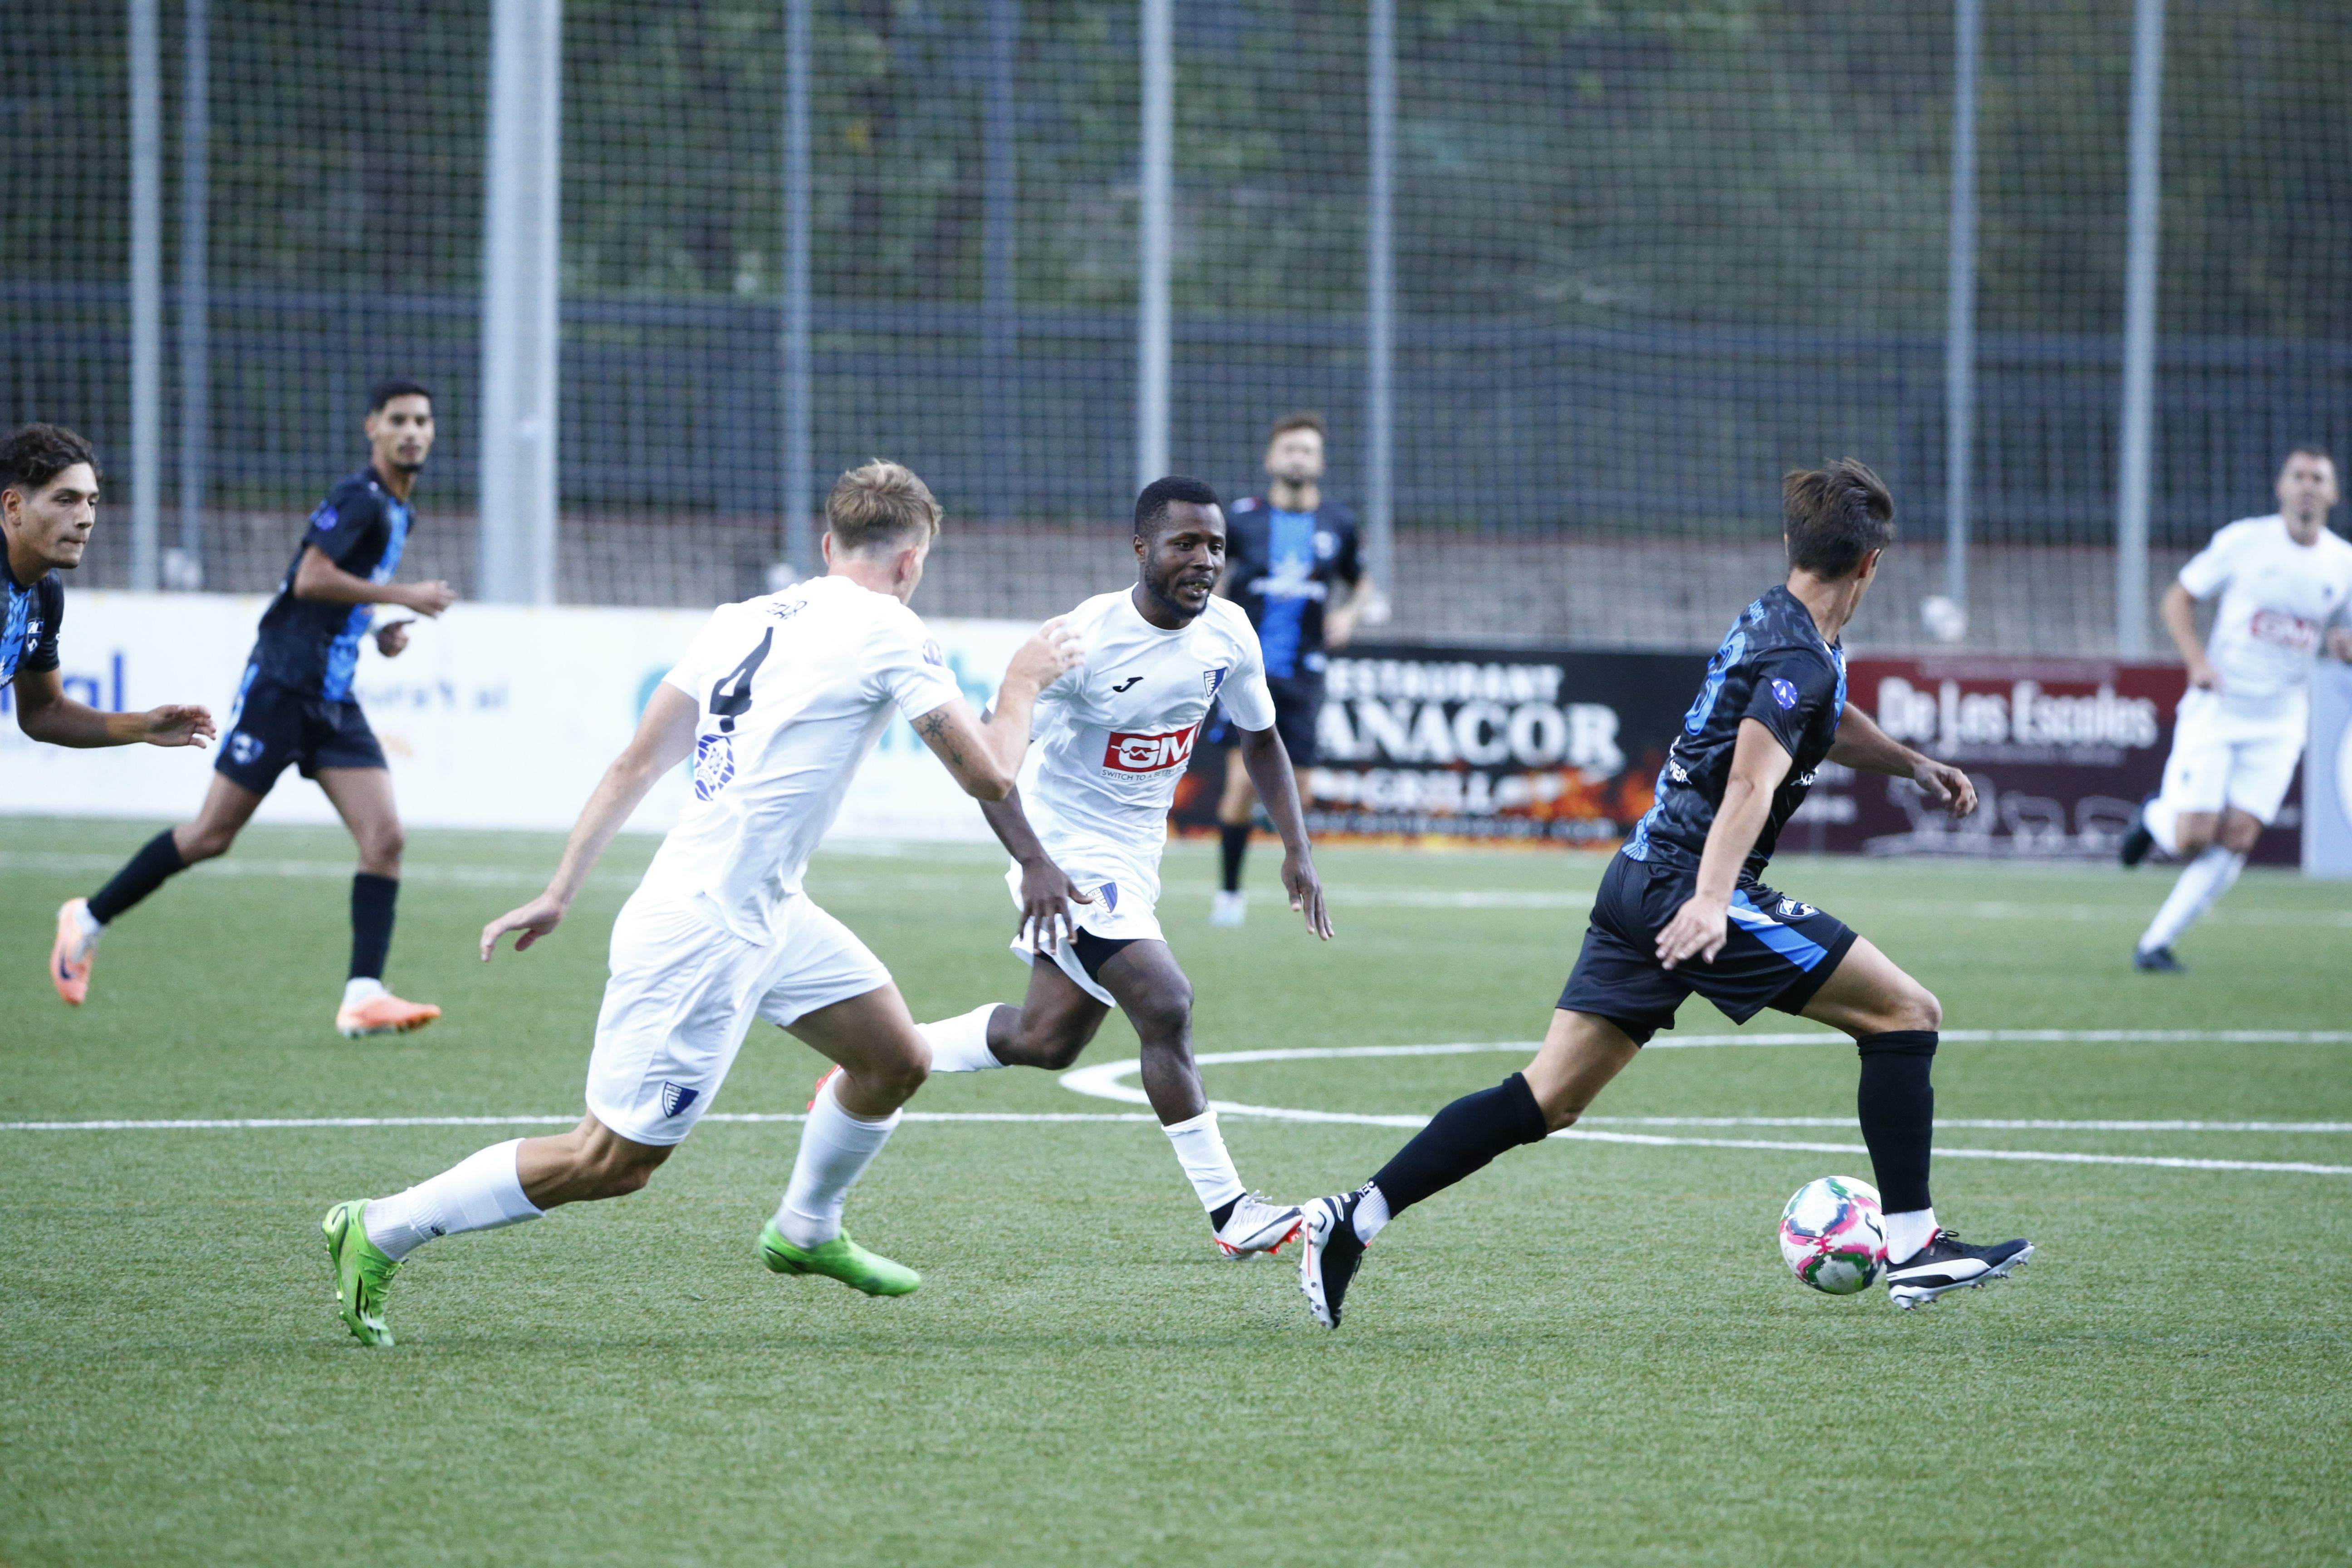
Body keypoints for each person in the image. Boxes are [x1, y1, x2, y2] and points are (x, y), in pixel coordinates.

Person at [319, 460, 1081, 1347]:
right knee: (610, 1162)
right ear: (912, 564)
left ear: (828, 545)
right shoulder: (891, 629)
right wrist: (1024, 680)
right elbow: (990, 772)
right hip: (705, 931)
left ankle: (805, 1230)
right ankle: (379, 1228)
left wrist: (563, 887)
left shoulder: (742, 618)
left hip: (766, 910)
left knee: (895, 1059)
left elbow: (635, 763)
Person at [1295, 460, 2032, 1328]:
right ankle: (1911, 1248)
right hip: (1690, 883)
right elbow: (1750, 783)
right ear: (1872, 564)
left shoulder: (1777, 618)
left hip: (1636, 876)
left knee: (1547, 1098)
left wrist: (1910, 763)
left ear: (1795, 546)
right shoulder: (1800, 651)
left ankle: (1356, 1215)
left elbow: (1817, 720)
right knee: (1906, 1013)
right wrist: (1714, 901)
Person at [914, 476, 1334, 1258]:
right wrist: (1035, 862)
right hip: (1065, 849)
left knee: (1045, 1038)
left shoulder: (1229, 633)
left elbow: (1260, 737)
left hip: (1136, 855)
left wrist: (1296, 848)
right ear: (1141, 549)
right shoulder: (1078, 642)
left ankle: (887, 1053)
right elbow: (985, 759)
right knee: (1164, 999)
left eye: (1213, 546)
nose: (1203, 560)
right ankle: (1231, 1214)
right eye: (1184, 544)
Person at [53, 380, 457, 1034]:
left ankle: (362, 994)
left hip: (333, 697)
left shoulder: (401, 508)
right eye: (400, 420)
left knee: (386, 838)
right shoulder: (361, 497)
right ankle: (87, 919)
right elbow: (310, 579)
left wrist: (377, 626)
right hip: (282, 686)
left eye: (423, 421)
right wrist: (404, 593)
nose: (413, 431)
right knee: (211, 836)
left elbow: (337, 597)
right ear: (373, 429)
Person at [2119, 446, 2352, 970]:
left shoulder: (2343, 563)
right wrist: (2198, 662)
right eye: (2299, 476)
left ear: (2334, 494)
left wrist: (2344, 648)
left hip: (2282, 718)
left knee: (2240, 835)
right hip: (2219, 706)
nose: (2308, 486)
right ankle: (2154, 818)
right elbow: (2178, 598)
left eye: (2319, 478)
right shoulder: (2245, 541)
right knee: (2191, 837)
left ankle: (2155, 944)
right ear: (2282, 487)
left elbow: (2345, 634)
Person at [1205, 412, 1372, 926]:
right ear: (1272, 459)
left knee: (1299, 795)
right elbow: (1208, 569)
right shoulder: (1242, 519)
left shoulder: (1338, 523)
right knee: (1241, 784)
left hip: (1304, 672)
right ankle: (1230, 894)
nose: (1298, 458)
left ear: (1319, 463)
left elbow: (1362, 582)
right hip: (1245, 667)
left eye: (1307, 451)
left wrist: (1348, 613)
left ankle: (1295, 887)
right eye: (1290, 450)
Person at [5, 422, 216, 756]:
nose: (85, 518)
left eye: (92, 502)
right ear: (13, 507)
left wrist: (143, 726)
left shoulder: (43, 592)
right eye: (65, 500)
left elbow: (43, 711)